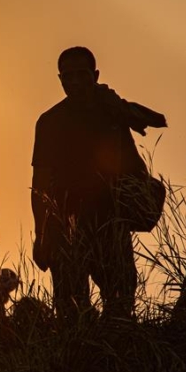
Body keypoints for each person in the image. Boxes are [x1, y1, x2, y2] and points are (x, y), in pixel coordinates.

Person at [31, 46, 166, 322]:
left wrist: (141, 199)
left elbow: (133, 166)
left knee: (120, 303)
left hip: (110, 222)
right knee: (71, 311)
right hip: (66, 226)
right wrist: (42, 235)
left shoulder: (113, 115)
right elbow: (40, 184)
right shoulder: (50, 122)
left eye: (82, 74)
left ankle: (115, 359)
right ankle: (78, 362)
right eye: (69, 76)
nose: (76, 82)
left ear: (95, 75)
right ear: (60, 80)